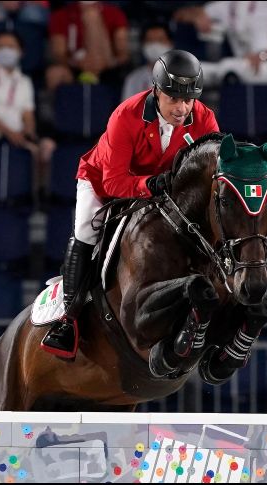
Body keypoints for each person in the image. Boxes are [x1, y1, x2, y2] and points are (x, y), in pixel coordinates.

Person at [40, 50, 220, 358]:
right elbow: (113, 182)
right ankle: (68, 319)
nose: (182, 109)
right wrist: (149, 185)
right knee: (86, 230)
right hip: (103, 181)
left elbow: (209, 171)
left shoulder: (203, 119)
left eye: (188, 100)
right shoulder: (126, 116)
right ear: (157, 91)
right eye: (174, 99)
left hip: (164, 189)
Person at [173, 1, 267, 88]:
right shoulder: (228, 5)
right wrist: (198, 17)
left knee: (229, 67)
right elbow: (180, 14)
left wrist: (262, 56)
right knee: (186, 70)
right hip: (240, 64)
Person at [46, 1, 131, 90]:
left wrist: (107, 63)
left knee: (91, 16)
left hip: (108, 68)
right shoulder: (61, 15)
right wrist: (77, 63)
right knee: (55, 74)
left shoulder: (115, 13)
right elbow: (59, 53)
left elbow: (123, 53)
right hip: (75, 68)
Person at [122, 23, 174, 100]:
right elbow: (128, 106)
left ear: (170, 43)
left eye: (160, 40)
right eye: (150, 40)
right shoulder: (133, 79)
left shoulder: (184, 76)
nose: (155, 45)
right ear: (143, 45)